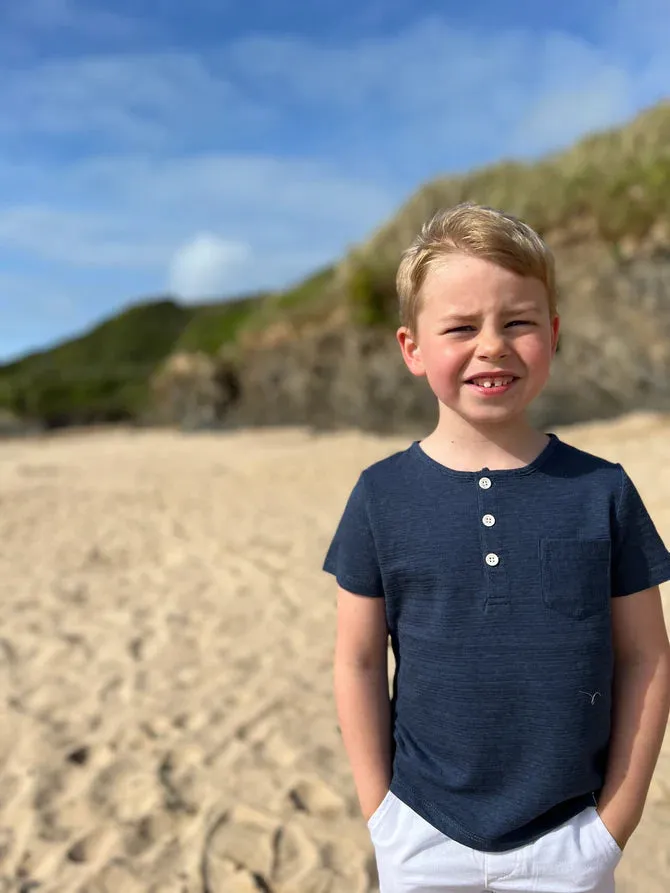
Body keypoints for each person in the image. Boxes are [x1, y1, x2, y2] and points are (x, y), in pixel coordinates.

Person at [322, 203, 670, 893]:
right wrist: (381, 811)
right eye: (460, 327)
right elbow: (357, 659)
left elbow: (646, 655)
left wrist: (613, 824)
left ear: (554, 333)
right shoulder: (379, 496)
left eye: (518, 322)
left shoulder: (603, 490)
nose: (493, 346)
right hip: (420, 831)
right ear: (411, 348)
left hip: (570, 835)